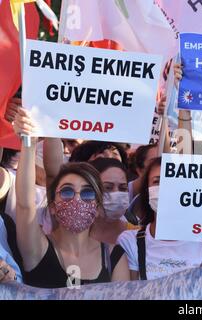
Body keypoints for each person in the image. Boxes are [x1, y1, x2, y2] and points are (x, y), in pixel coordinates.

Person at [13, 108, 130, 288]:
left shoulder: (114, 257)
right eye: (67, 192)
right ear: (52, 205)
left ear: (98, 207)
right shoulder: (37, 248)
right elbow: (25, 204)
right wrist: (29, 141)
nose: (77, 199)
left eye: (87, 193)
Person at [118, 157, 202, 280]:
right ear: (146, 190)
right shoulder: (130, 241)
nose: (166, 188)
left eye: (173, 181)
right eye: (157, 181)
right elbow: (128, 292)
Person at [89, 158, 131, 245]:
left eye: (123, 188)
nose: (116, 193)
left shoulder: (138, 235)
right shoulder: (76, 233)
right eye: (107, 188)